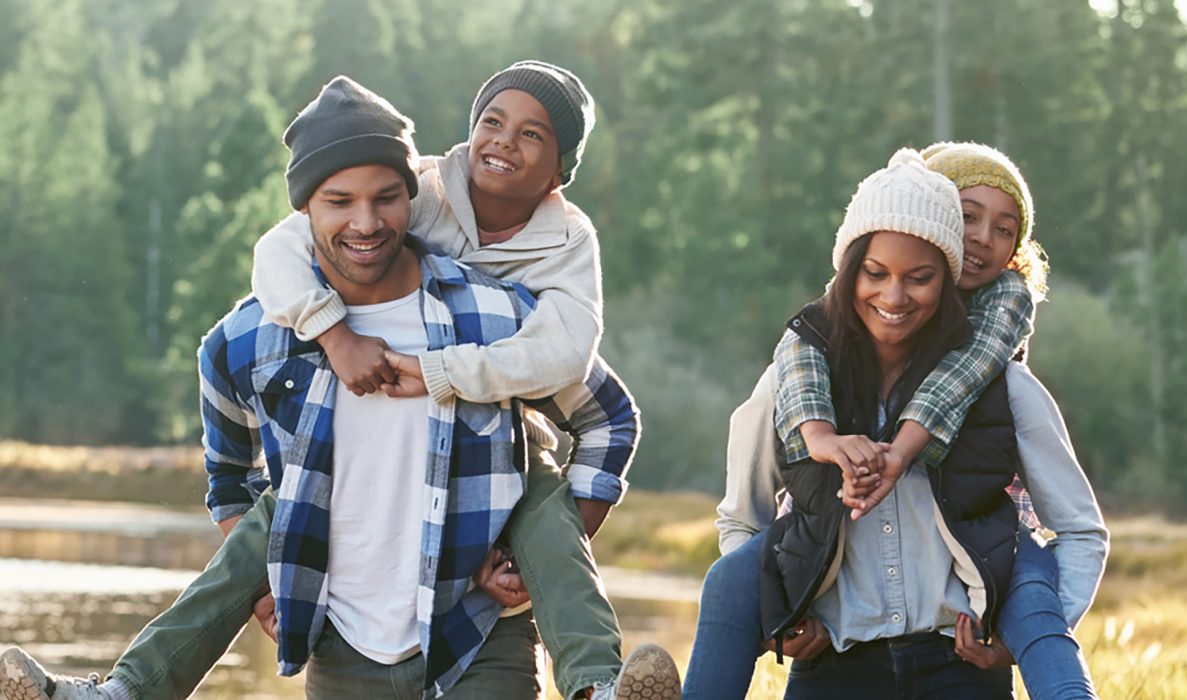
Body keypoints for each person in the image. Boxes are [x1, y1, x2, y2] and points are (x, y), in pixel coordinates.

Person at [2, 73, 678, 700]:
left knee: (541, 487)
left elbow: (603, 407)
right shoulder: (248, 338)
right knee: (277, 505)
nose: (364, 222)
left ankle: (596, 687)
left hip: (474, 633)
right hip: (343, 639)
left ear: (410, 201)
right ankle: (122, 693)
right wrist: (269, 585)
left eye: (386, 199)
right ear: (304, 211)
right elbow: (230, 478)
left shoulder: (500, 313)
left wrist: (535, 559)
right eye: (338, 202)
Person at [682, 147, 1107, 699]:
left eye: (920, 277)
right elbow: (745, 521)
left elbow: (1079, 530)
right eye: (876, 273)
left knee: (1031, 588)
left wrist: (1014, 637)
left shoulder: (1001, 384)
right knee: (725, 581)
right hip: (835, 667)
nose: (894, 296)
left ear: (944, 272)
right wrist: (779, 615)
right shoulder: (795, 377)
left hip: (959, 669)